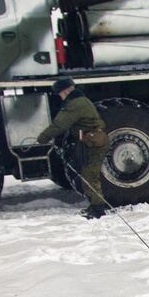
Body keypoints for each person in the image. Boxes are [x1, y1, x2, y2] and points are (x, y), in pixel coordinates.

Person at [37, 77, 110, 219]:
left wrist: (42, 138)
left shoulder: (74, 104)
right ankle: (95, 205)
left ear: (65, 91)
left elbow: (59, 125)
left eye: (60, 93)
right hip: (92, 141)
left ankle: (98, 209)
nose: (60, 96)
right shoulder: (81, 100)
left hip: (94, 142)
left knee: (90, 175)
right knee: (88, 174)